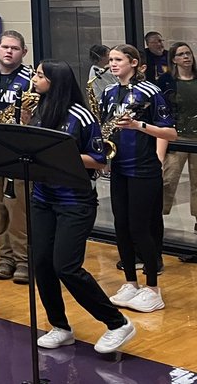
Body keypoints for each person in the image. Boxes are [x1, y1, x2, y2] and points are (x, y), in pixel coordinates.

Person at [24, 59, 138, 355]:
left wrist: (61, 155)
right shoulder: (40, 110)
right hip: (42, 198)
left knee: (67, 267)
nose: (34, 79)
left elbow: (98, 159)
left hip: (74, 201)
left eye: (39, 75)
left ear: (55, 81)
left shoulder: (81, 116)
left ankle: (117, 323)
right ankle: (60, 326)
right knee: (41, 264)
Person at [100, 44, 176, 312]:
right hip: (119, 168)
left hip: (144, 169)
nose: (112, 64)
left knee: (140, 227)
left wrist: (138, 125)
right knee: (121, 225)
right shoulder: (108, 93)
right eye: (110, 59)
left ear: (134, 62)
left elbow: (170, 133)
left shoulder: (150, 92)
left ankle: (153, 289)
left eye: (118, 59)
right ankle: (131, 283)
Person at [0, 31, 33, 284]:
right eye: (5, 46)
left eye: (15, 48)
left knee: (18, 210)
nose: (9, 52)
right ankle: (5, 257)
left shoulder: (30, 79)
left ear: (23, 52)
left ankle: (23, 259)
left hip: (18, 154)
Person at [160, 42, 197, 233]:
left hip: (196, 137)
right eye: (181, 54)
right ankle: (157, 216)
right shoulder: (166, 81)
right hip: (177, 137)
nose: (186, 57)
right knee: (169, 178)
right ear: (174, 59)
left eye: (188, 53)